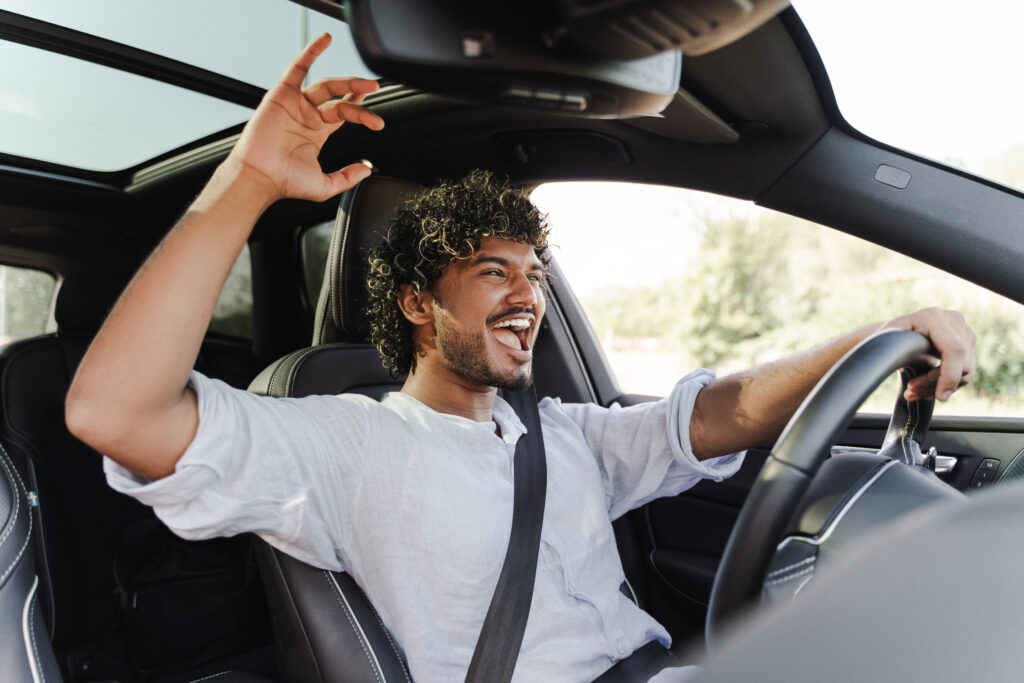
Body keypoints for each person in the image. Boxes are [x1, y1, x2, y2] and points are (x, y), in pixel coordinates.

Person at [65, 34, 977, 682]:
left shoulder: (561, 433)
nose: (528, 298)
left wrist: (876, 335)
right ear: (418, 302)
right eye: (493, 272)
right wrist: (251, 179)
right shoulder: (340, 443)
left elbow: (712, 415)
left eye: (535, 275)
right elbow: (118, 414)